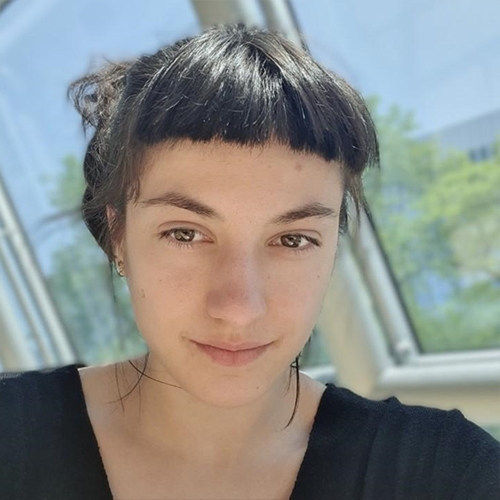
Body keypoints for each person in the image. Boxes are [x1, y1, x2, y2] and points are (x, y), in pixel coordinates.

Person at [0, 24, 498, 500]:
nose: (239, 308)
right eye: (185, 234)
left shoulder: (448, 475)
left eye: (293, 239)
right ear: (119, 238)